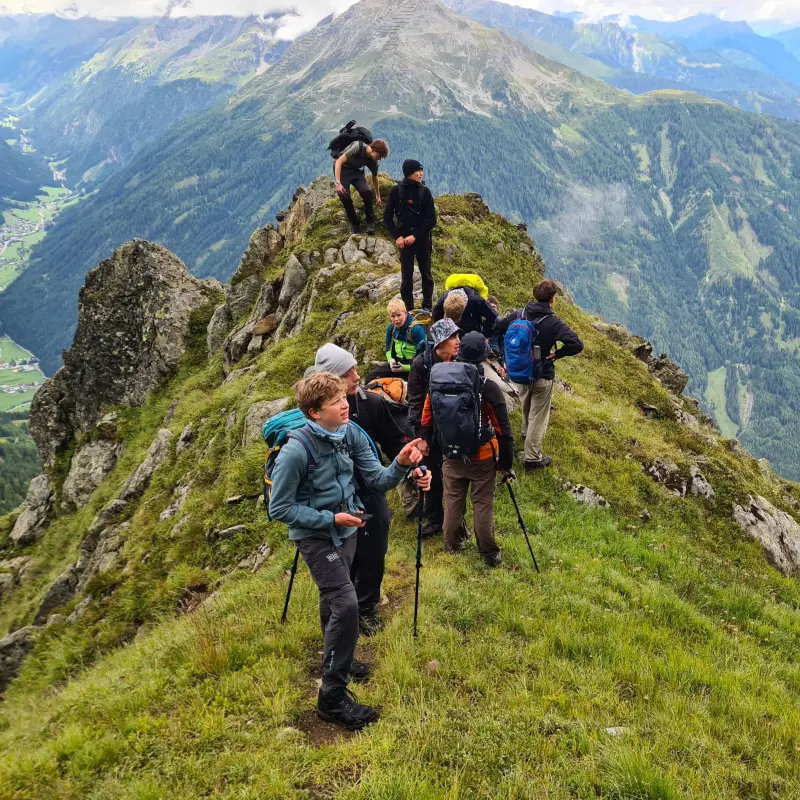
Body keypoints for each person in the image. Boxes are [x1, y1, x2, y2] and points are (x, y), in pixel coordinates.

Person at [269, 371, 430, 730]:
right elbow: (278, 508)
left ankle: (337, 659)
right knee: (346, 602)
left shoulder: (350, 434)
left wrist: (403, 465)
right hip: (315, 534)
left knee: (333, 601)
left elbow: (377, 479)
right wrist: (330, 517)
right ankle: (331, 697)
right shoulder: (296, 451)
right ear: (314, 412)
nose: (346, 405)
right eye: (336, 401)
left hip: (347, 527)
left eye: (344, 397)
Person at [313, 343, 408, 636]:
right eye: (347, 372)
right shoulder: (315, 413)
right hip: (333, 496)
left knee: (375, 547)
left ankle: (366, 606)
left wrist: (412, 465)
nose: (356, 376)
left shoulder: (372, 404)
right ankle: (345, 606)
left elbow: (394, 441)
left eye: (355, 369)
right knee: (344, 555)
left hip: (370, 488)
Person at [421, 331, 514, 565]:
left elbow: (426, 417)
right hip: (482, 455)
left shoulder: (440, 378)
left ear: (460, 352)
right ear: (483, 357)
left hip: (450, 453)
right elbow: (504, 430)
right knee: (482, 502)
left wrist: (431, 443)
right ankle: (489, 553)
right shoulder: (488, 387)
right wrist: (506, 463)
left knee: (453, 500)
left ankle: (453, 544)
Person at [497, 279, 583, 470]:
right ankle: (532, 459)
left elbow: (498, 328)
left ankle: (526, 436)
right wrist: (557, 354)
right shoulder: (553, 322)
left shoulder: (519, 314)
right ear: (552, 300)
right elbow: (577, 344)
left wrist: (505, 357)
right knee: (539, 415)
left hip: (520, 371)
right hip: (543, 373)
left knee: (526, 404)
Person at [407, 318, 467, 539]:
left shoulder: (460, 363)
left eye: (458, 336)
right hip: (428, 429)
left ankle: (458, 520)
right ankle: (434, 519)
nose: (457, 341)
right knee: (430, 473)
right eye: (453, 337)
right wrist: (422, 437)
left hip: (454, 427)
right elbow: (413, 402)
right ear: (439, 341)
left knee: (457, 476)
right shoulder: (421, 365)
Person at [383, 159, 437, 311]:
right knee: (407, 276)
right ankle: (409, 308)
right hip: (404, 240)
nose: (421, 173)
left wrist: (415, 236)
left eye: (421, 170)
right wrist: (397, 237)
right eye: (417, 171)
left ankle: (427, 307)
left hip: (422, 238)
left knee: (426, 274)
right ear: (408, 173)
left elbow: (432, 219)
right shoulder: (396, 191)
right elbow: (387, 217)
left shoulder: (424, 191)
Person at [334, 138, 389, 235]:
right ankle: (355, 224)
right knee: (345, 197)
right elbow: (338, 162)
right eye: (379, 156)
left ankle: (370, 223)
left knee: (367, 193)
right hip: (343, 169)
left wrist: (378, 195)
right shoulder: (358, 147)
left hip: (357, 172)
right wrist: (338, 183)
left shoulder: (373, 161)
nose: (379, 159)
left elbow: (374, 178)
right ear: (373, 150)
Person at [366, 299, 428, 380]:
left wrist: (406, 368)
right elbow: (388, 347)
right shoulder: (391, 328)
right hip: (398, 363)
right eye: (392, 316)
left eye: (399, 315)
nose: (396, 319)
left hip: (414, 366)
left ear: (405, 313)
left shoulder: (416, 330)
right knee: (371, 377)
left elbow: (424, 355)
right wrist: (390, 360)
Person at [432, 276, 497, 338]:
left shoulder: (477, 300)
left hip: (472, 330)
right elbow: (436, 318)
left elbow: (492, 315)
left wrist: (486, 335)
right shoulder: (441, 301)